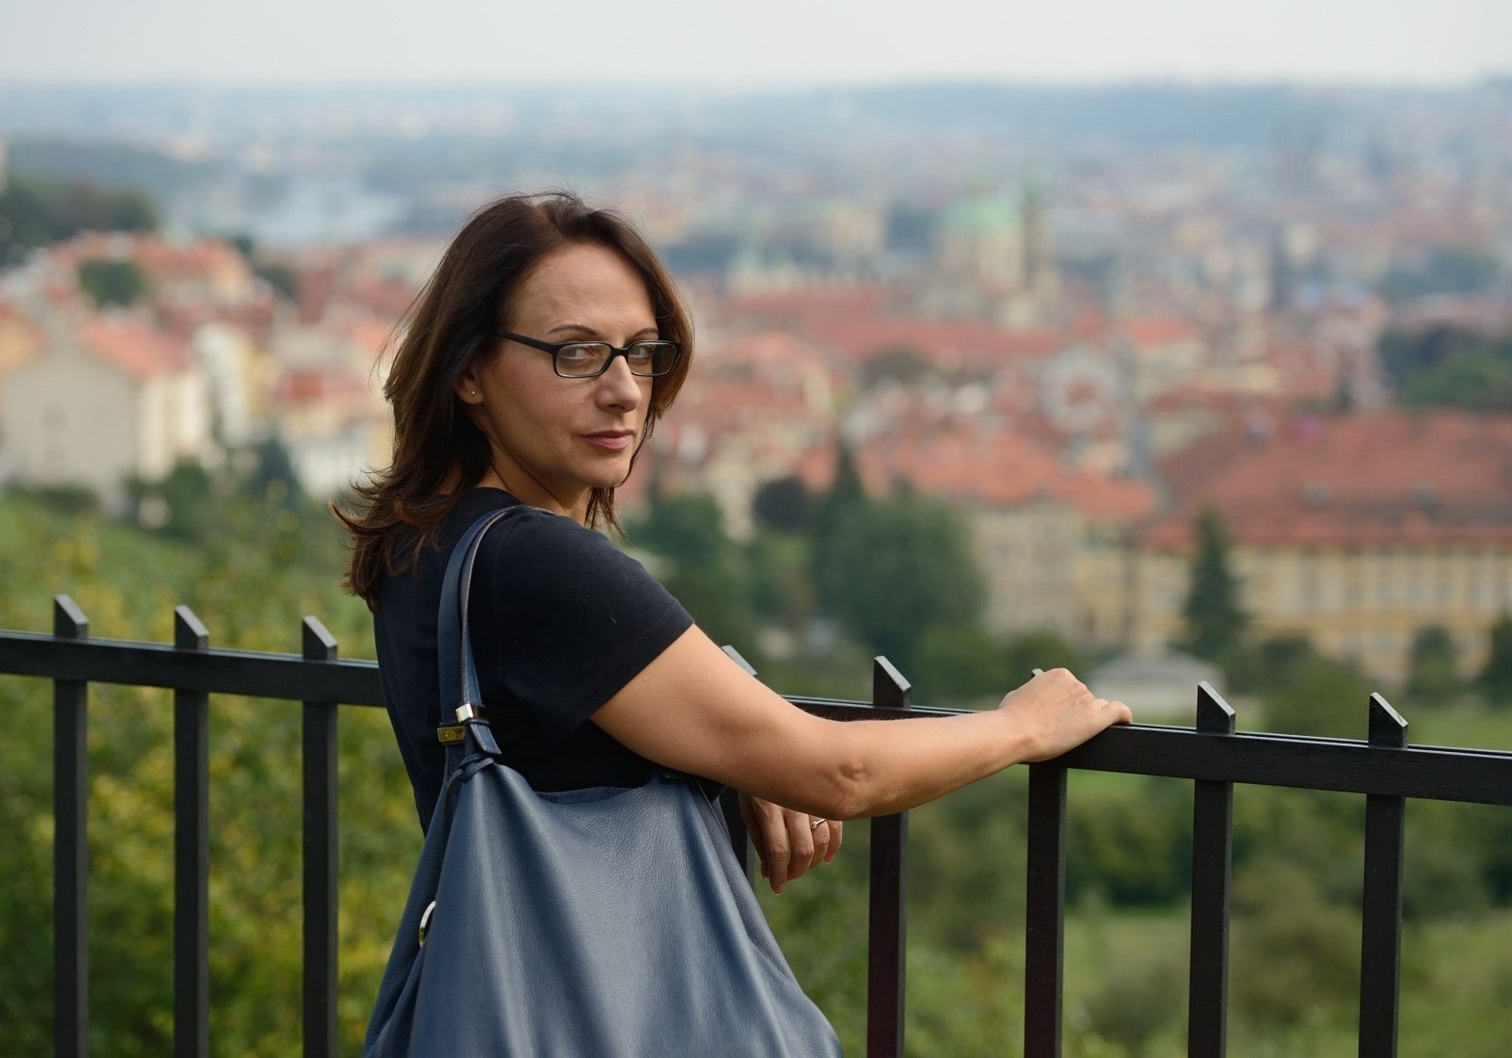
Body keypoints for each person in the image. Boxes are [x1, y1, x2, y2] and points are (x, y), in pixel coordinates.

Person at [340, 189, 1132, 909]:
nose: (624, 390)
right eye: (574, 353)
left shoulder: (431, 542)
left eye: (641, 351)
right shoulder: (536, 563)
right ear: (470, 371)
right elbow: (841, 774)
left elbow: (564, 712)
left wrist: (732, 744)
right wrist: (1020, 727)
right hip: (600, 991)